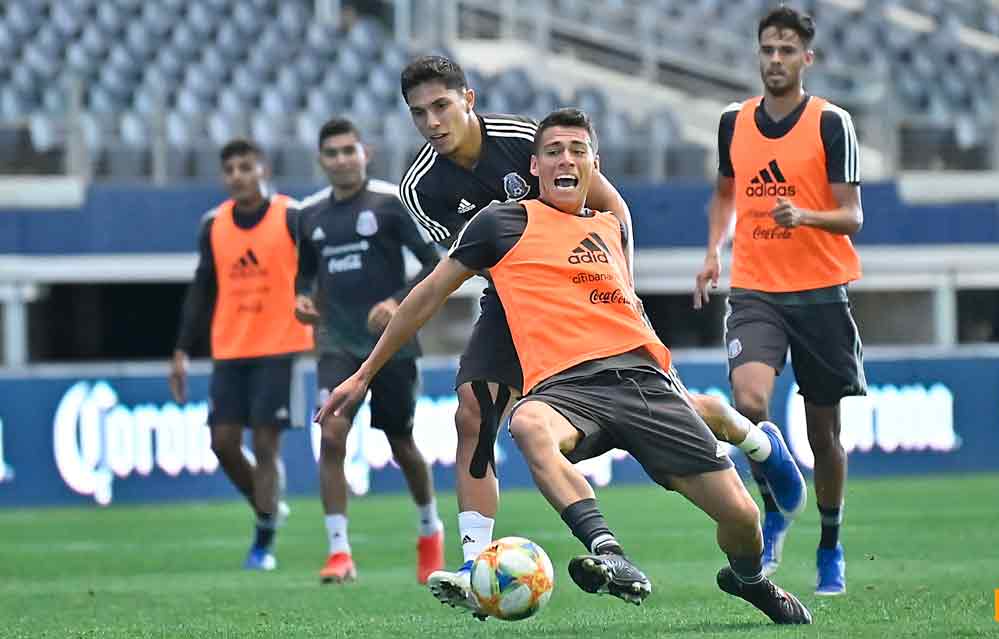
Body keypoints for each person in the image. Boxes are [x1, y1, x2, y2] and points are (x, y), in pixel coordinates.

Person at [320, 108, 812, 625]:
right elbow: (426, 295)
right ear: (534, 167)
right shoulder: (499, 224)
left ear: (593, 167)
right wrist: (363, 374)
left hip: (645, 382)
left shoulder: (612, 226)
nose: (565, 160)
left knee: (743, 518)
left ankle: (749, 579)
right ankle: (610, 551)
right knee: (527, 422)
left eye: (577, 151)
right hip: (565, 390)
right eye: (553, 151)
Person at [693, 6, 867, 596]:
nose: (775, 60)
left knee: (824, 434)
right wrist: (716, 248)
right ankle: (776, 508)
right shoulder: (732, 122)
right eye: (767, 49)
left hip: (820, 294)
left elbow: (853, 215)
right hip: (756, 289)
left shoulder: (831, 124)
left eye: (787, 50)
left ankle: (830, 545)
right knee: (748, 400)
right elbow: (725, 194)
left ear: (806, 58)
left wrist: (808, 216)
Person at [293, 117, 444, 584]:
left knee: (401, 444)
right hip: (337, 344)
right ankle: (339, 552)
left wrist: (397, 302)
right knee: (332, 435)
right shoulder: (309, 214)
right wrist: (301, 298)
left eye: (348, 151)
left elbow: (434, 265)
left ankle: (429, 531)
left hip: (391, 344)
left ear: (366, 152)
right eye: (332, 153)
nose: (341, 160)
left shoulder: (391, 203)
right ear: (321, 160)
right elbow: (305, 274)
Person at [169, 138, 313, 571]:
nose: (238, 176)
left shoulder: (291, 216)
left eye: (246, 167)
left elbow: (316, 269)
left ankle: (262, 544)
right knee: (222, 443)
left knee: (266, 443)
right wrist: (180, 349)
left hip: (279, 345)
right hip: (230, 348)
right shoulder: (213, 224)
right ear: (222, 176)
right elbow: (200, 290)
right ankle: (268, 507)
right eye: (230, 169)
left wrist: (313, 303)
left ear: (263, 170)